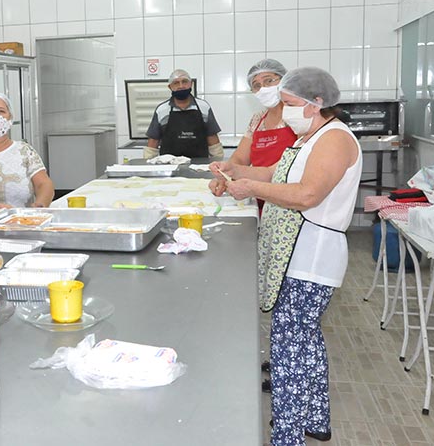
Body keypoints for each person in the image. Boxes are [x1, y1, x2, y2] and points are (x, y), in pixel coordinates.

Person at [210, 67, 362, 446]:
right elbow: (273, 174)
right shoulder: (309, 137)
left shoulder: (335, 139)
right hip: (299, 253)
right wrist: (233, 171)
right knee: (305, 338)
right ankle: (315, 418)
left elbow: (308, 194)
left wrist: (251, 188)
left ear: (316, 103)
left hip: (312, 255)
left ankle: (287, 436)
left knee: (288, 348)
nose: (287, 110)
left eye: (291, 103)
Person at [209, 59, 295, 198]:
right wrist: (225, 176)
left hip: (288, 195)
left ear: (284, 80)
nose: (263, 88)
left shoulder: (297, 116)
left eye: (269, 81)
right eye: (257, 85)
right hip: (257, 194)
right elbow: (240, 158)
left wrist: (236, 172)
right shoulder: (257, 119)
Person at [0, 91, 54, 217]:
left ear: (10, 119)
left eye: (1, 111)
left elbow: (43, 183)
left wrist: (41, 204)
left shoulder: (24, 151)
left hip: (22, 223)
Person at [144, 69, 224, 159]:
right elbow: (153, 144)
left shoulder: (204, 107)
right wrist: (148, 163)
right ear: (170, 87)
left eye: (184, 81)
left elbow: (213, 141)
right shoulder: (161, 110)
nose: (181, 86)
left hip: (199, 165)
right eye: (176, 83)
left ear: (191, 84)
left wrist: (218, 162)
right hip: (169, 165)